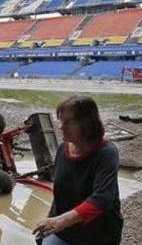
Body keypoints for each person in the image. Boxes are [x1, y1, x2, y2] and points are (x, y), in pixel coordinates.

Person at [33, 95, 122, 245]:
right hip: (64, 232)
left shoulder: (106, 153)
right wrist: (51, 222)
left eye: (69, 122)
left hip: (98, 235)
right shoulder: (62, 149)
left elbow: (102, 199)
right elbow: (60, 195)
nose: (61, 127)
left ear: (88, 123)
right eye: (61, 121)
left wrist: (61, 220)